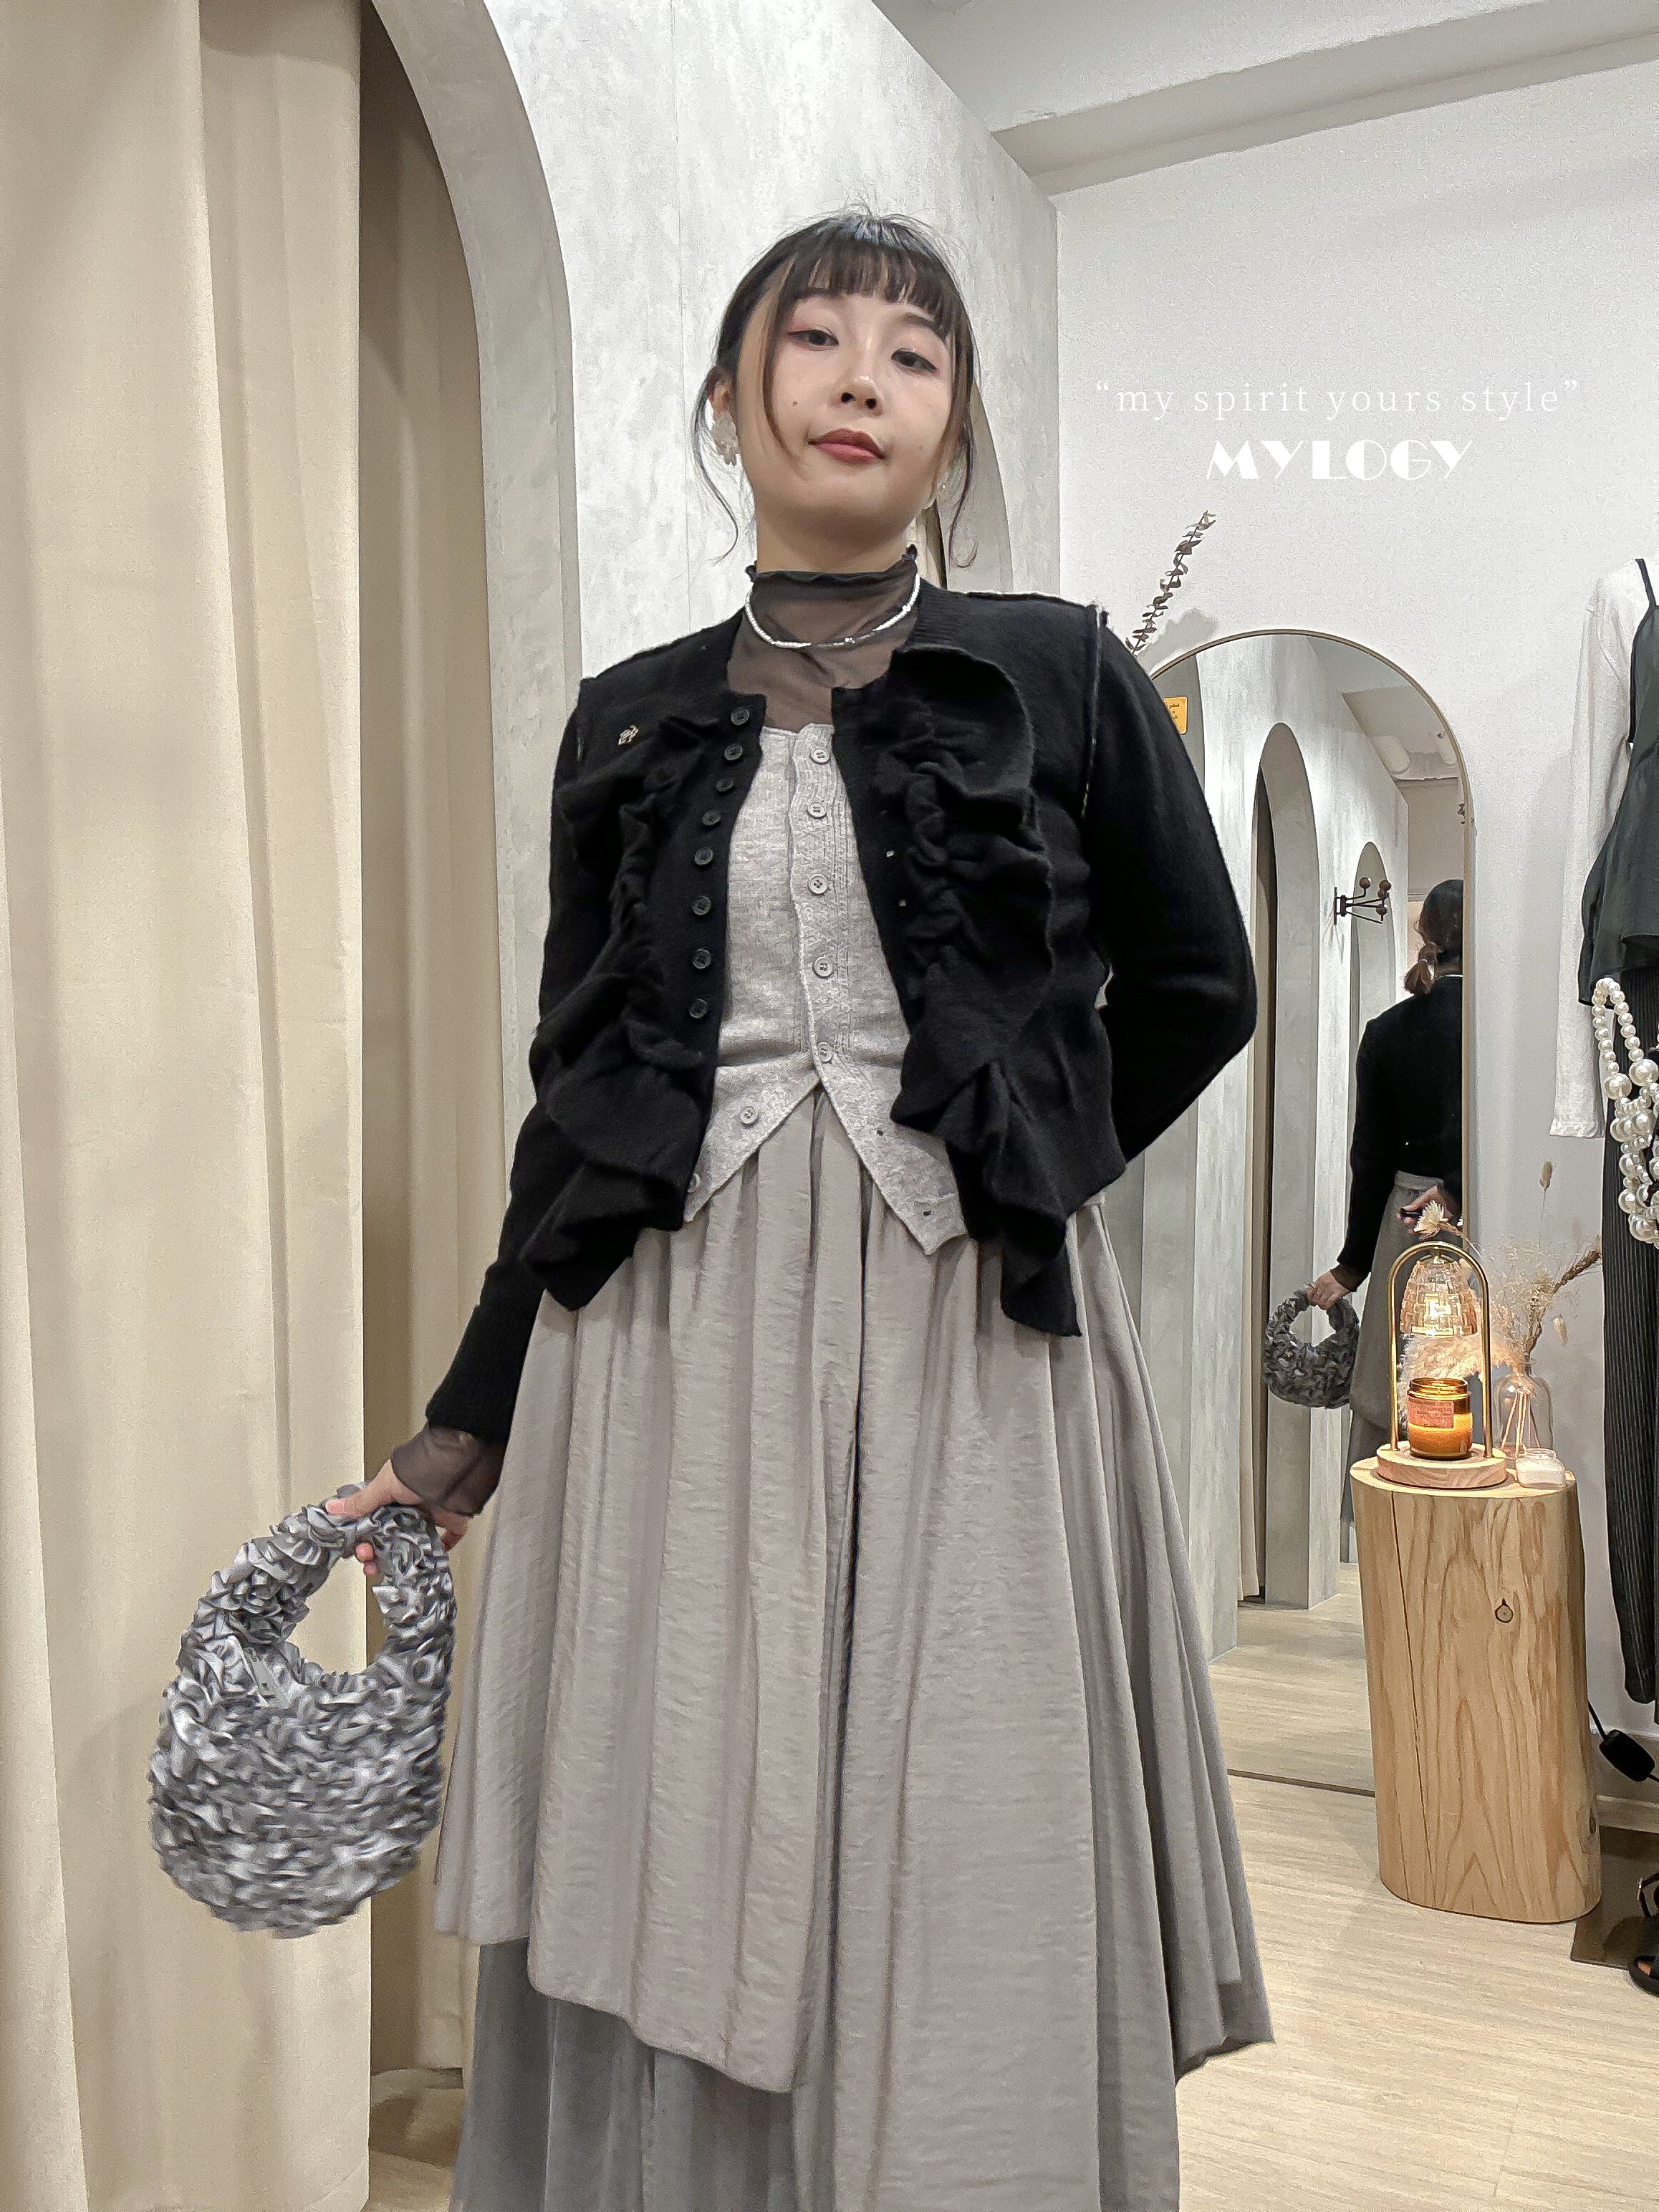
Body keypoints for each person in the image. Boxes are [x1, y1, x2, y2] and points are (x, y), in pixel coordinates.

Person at [328, 208, 1272, 2210]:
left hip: (963, 1334)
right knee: (683, 1786)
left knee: (959, 1792)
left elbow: (1201, 988)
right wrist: (465, 1422)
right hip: (662, 1345)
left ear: (954, 426)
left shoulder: (1062, 671)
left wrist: (1025, 1156)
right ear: (728, 398)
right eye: (816, 337)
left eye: (913, 354)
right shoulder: (625, 713)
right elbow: (577, 1096)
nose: (861, 379)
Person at [1308, 877, 1466, 1471]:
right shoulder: (1500, 1025)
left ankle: (1394, 1521)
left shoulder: (1388, 1031)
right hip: (1484, 1216)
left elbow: (1370, 1158)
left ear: (1425, 937)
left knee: (1401, 1390)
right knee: (1479, 1381)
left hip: (1407, 1227)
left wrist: (1353, 1264)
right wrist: (1459, 1188)